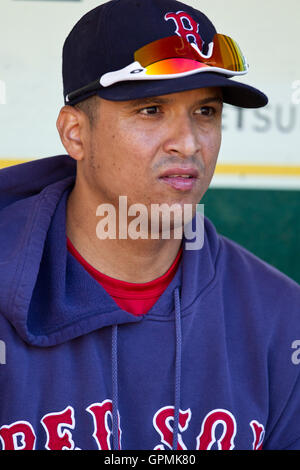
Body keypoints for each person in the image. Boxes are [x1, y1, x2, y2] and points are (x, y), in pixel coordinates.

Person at [0, 0, 300, 451]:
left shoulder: (282, 317)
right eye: (151, 110)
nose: (188, 143)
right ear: (75, 134)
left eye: (206, 112)